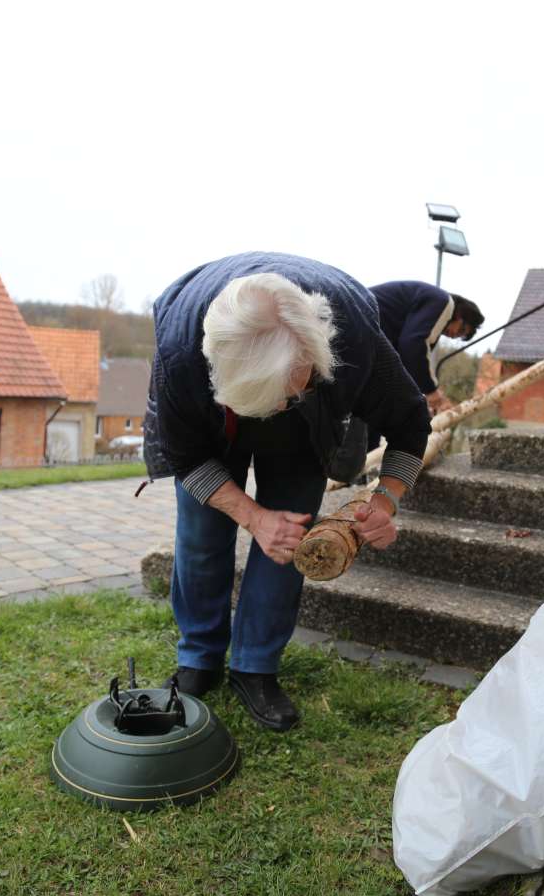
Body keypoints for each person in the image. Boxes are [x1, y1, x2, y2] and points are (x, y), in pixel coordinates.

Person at [143, 252, 431, 731]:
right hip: (213, 415)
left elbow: (411, 423)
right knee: (200, 532)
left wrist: (385, 501)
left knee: (288, 537)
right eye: (272, 400)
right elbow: (187, 457)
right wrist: (252, 516)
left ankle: (255, 667)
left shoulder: (354, 338)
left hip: (308, 422)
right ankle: (199, 657)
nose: (275, 409)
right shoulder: (181, 356)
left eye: (288, 392)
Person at [369, 281, 484, 417]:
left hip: (363, 333)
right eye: (461, 329)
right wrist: (431, 391)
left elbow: (406, 364)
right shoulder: (444, 302)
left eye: (459, 336)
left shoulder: (421, 323)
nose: (454, 335)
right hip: (360, 325)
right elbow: (413, 347)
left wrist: (423, 399)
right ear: (461, 315)